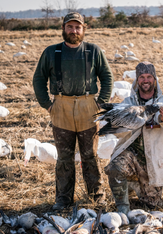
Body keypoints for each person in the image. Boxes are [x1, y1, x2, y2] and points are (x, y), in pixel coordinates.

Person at [33, 12, 113, 210]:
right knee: (64, 158)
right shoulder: (51, 52)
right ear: (63, 28)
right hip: (61, 107)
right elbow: (39, 79)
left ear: (83, 29)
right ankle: (63, 200)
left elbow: (107, 77)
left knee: (90, 156)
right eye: (70, 27)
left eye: (78, 27)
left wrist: (101, 102)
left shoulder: (93, 51)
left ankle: (97, 196)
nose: (74, 31)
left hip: (88, 108)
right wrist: (48, 104)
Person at [105, 61, 163, 214]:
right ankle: (123, 209)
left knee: (153, 206)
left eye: (149, 76)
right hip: (131, 156)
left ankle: (134, 188)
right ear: (137, 80)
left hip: (153, 160)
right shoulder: (128, 103)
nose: (145, 80)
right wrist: (123, 123)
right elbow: (117, 132)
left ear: (154, 79)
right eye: (141, 77)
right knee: (114, 168)